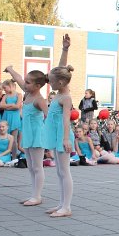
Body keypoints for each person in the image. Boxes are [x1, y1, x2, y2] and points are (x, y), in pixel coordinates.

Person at [5, 64, 48, 206]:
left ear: (37, 85)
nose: (25, 84)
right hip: (29, 134)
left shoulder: (39, 99)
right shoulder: (29, 93)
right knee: (30, 166)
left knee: (37, 166)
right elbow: (17, 79)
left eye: (28, 82)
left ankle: (37, 196)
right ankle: (33, 194)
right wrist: (10, 69)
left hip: (37, 135)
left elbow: (49, 116)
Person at [42, 65, 75, 217]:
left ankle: (66, 206)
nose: (49, 82)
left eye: (52, 81)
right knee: (59, 171)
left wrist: (66, 139)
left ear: (61, 83)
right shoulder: (58, 94)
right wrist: (65, 49)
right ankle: (62, 203)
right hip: (56, 135)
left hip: (62, 136)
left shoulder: (66, 97)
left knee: (64, 171)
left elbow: (66, 120)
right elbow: (60, 68)